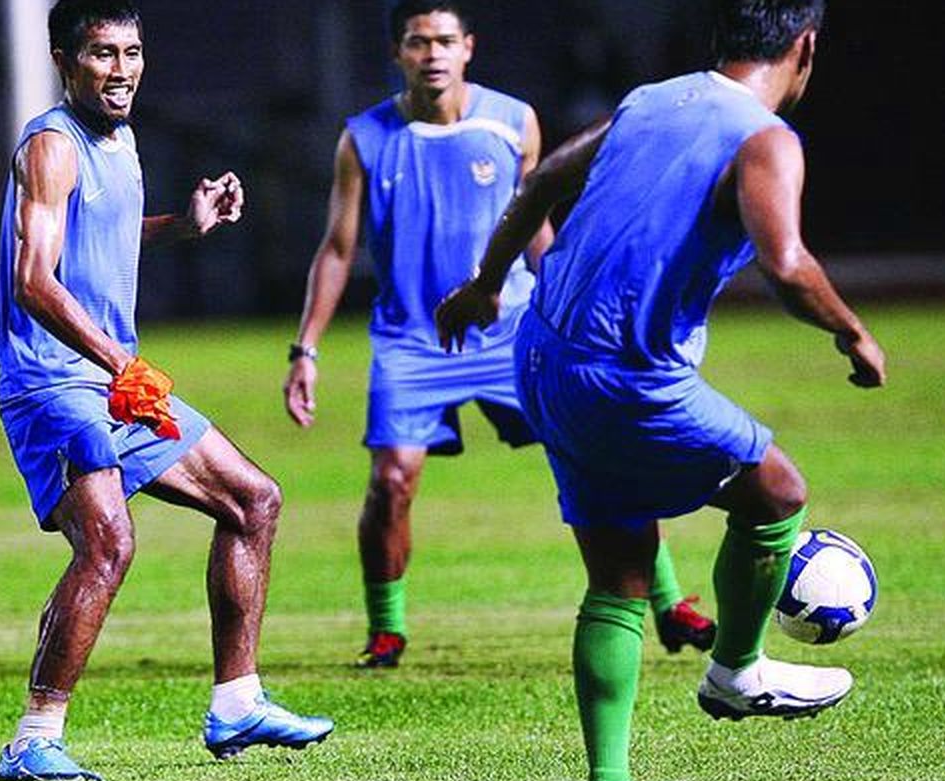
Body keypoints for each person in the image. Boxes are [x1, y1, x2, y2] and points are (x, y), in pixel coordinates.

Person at [436, 1, 886, 781]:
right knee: (778, 491)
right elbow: (785, 263)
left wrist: (482, 285)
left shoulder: (652, 99)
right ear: (805, 47)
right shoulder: (765, 138)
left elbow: (540, 179)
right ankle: (737, 672)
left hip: (540, 355)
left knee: (619, 575)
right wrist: (852, 332)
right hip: (625, 373)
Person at [282, 0, 715, 669]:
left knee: (598, 450)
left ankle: (666, 602)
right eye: (418, 42)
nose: (432, 54)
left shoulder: (512, 121)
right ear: (398, 52)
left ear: (469, 48)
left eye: (444, 41)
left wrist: (567, 304)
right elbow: (338, 250)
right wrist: (305, 349)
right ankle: (387, 628)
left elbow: (534, 222)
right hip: (411, 339)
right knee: (392, 480)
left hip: (513, 330)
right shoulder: (364, 139)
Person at [0, 0, 332, 781]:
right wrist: (119, 363)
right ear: (63, 59)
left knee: (255, 501)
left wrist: (183, 224)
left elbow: (101, 229)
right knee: (108, 542)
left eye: (133, 52)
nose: (122, 70)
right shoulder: (51, 145)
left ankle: (237, 702)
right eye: (104, 54)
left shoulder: (122, 139)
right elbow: (33, 279)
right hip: (54, 383)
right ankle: (34, 738)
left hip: (110, 378)